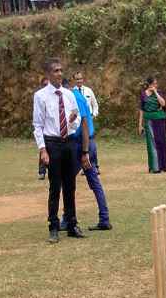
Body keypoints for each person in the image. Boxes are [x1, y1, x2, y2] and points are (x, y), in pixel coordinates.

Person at [32, 58, 90, 243]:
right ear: (49, 74)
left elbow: (77, 118)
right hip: (52, 143)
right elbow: (38, 125)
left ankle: (72, 224)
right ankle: (53, 226)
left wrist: (73, 119)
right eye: (56, 70)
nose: (59, 74)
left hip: (68, 143)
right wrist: (43, 150)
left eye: (61, 70)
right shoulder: (41, 96)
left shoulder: (68, 94)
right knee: (54, 186)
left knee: (70, 185)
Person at [62, 74, 111, 231]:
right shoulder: (78, 96)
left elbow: (82, 124)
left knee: (68, 182)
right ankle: (104, 218)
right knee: (94, 182)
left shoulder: (71, 98)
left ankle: (67, 219)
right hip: (90, 142)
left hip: (81, 144)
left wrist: (84, 152)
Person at [139, 76, 166, 173]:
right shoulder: (143, 94)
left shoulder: (158, 93)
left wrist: (155, 92)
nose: (156, 85)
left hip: (160, 120)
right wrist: (140, 125)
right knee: (152, 144)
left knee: (161, 142)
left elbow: (163, 104)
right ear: (149, 84)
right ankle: (155, 167)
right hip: (149, 121)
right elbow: (141, 110)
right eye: (154, 84)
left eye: (156, 84)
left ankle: (163, 166)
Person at [73, 73, 99, 168]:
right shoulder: (72, 93)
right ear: (74, 80)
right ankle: (81, 166)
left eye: (80, 78)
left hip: (88, 121)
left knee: (92, 144)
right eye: (77, 79)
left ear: (83, 79)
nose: (79, 81)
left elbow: (95, 105)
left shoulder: (89, 91)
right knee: (80, 144)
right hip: (78, 123)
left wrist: (93, 115)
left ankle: (95, 166)